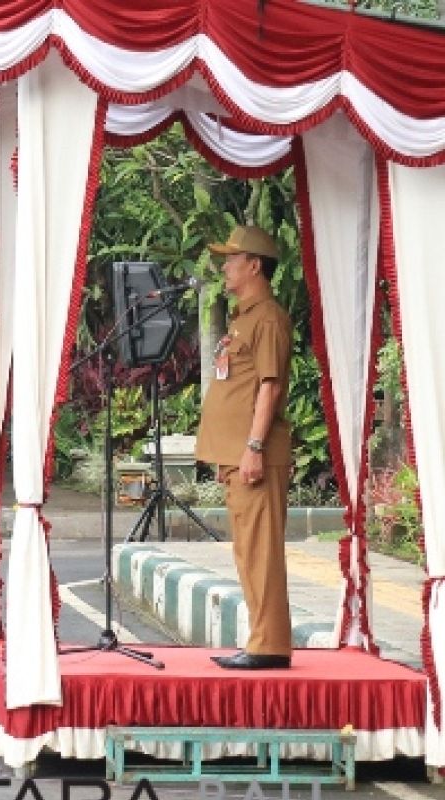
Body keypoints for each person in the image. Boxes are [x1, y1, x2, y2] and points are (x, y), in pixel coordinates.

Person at [196, 224, 294, 670]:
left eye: (232, 259)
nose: (225, 266)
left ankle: (269, 646)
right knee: (247, 551)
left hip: (256, 455)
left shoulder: (268, 318)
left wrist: (252, 446)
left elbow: (269, 388)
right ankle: (261, 640)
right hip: (239, 458)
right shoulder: (244, 318)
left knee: (260, 551)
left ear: (254, 265)